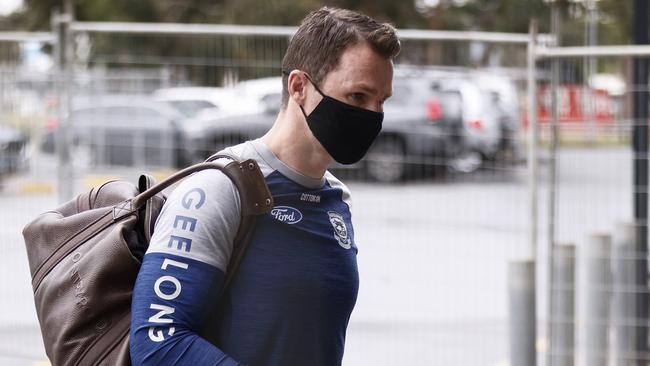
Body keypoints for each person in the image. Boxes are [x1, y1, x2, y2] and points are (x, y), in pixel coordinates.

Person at [130, 7, 400, 366]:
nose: (371, 116)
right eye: (358, 97)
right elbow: (157, 342)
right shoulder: (219, 190)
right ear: (299, 87)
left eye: (381, 102)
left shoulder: (337, 199)